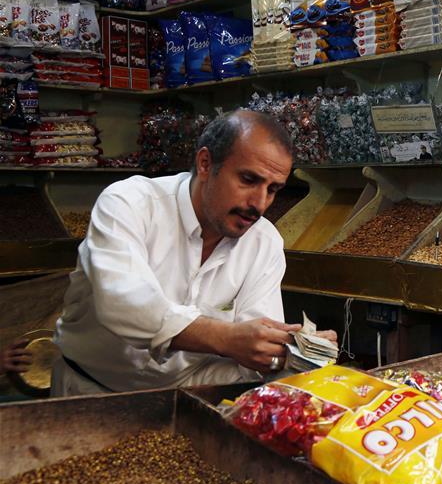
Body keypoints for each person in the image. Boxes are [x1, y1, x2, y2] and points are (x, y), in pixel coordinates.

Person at [50, 110, 337, 396]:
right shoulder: (129, 204)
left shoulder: (264, 242)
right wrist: (224, 337)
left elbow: (254, 353)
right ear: (205, 164)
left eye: (273, 189)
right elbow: (124, 304)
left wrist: (297, 349)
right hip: (88, 389)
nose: (259, 204)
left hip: (188, 392)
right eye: (248, 180)